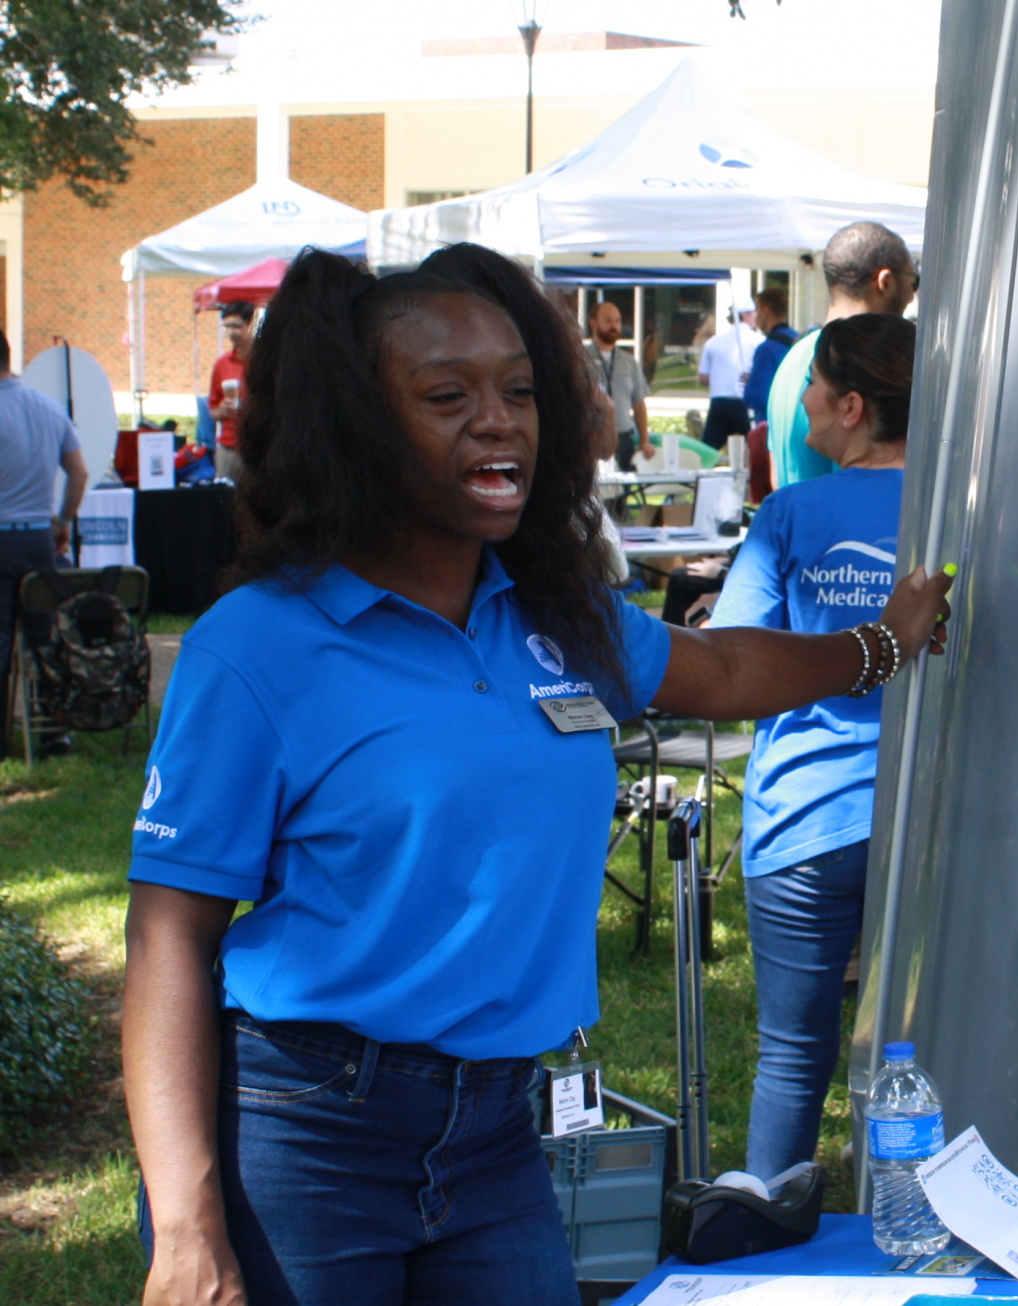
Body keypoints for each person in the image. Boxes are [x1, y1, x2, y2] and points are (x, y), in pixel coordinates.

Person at [122, 245, 951, 1306]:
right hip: (302, 1130)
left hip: (493, 1134)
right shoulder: (261, 645)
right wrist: (189, 1228)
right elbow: (167, 941)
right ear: (358, 425)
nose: (499, 419)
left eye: (518, 390)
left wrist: (883, 642)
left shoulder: (558, 616)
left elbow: (731, 664)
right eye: (446, 395)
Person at [705, 313, 917, 1179]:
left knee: (793, 1054)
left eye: (813, 396)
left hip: (806, 816)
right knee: (932, 1055)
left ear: (854, 408)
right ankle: (928, 1231)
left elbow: (729, 655)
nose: (799, 417)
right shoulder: (969, 515)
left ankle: (768, 1239)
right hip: (931, 823)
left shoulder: (792, 513)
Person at [766, 222, 918, 489]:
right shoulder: (862, 368)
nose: (913, 295)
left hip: (799, 522)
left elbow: (776, 472)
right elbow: (864, 480)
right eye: (914, 281)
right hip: (852, 528)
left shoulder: (792, 358)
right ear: (886, 282)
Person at [0, 332, 88, 754]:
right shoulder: (48, 408)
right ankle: (55, 731)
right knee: (43, 639)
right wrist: (64, 520)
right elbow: (79, 472)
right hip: (38, 540)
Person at [586, 300, 652, 471]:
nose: (613, 326)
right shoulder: (579, 359)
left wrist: (644, 441)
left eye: (617, 321)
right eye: (607, 320)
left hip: (624, 441)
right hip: (592, 441)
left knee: (623, 494)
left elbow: (639, 404)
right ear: (593, 323)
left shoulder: (629, 361)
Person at [699, 300, 763, 449]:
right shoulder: (759, 341)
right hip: (744, 404)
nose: (755, 318)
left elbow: (703, 378)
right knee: (756, 450)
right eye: (754, 314)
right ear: (745, 315)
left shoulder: (713, 343)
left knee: (708, 450)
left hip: (719, 403)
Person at [206, 301, 256, 481]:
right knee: (225, 502)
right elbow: (212, 410)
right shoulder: (222, 364)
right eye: (227, 327)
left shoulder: (266, 362)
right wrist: (221, 410)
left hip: (260, 447)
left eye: (236, 326)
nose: (231, 332)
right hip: (228, 447)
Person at [742, 286, 799, 425]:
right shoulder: (799, 341)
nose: (756, 315)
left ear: (766, 311)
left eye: (758, 310)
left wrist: (752, 381)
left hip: (772, 427)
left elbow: (755, 397)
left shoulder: (766, 350)